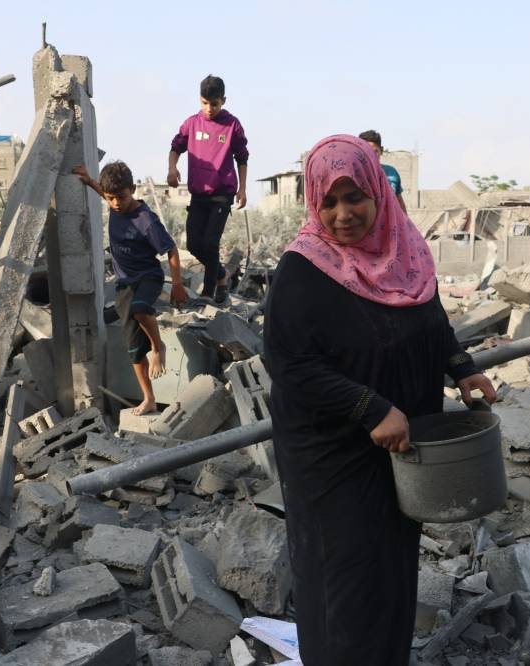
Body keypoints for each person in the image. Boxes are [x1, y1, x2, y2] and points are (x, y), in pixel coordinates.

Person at [262, 135, 496, 666]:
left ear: (378, 194)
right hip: (333, 454)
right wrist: (370, 408)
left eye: (355, 197)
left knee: (392, 568)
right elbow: (288, 363)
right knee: (347, 578)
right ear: (313, 203)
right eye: (329, 201)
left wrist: (462, 368)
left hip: (401, 443)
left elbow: (430, 323)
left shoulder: (406, 252)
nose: (343, 214)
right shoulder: (304, 269)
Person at [73, 161, 188, 415]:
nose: (115, 203)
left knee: (140, 309)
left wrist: (177, 284)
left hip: (148, 277)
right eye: (111, 198)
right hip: (125, 284)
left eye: (121, 197)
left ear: (133, 190)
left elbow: (170, 249)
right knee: (134, 350)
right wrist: (89, 178)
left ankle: (159, 347)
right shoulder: (114, 202)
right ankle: (149, 399)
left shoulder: (145, 220)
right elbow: (102, 191)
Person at [167, 74, 249, 305]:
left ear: (223, 100)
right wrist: (172, 169)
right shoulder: (192, 123)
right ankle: (221, 275)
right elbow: (175, 147)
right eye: (205, 103)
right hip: (198, 194)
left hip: (222, 194)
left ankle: (209, 293)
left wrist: (242, 189)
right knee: (194, 244)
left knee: (211, 243)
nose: (209, 108)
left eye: (214, 103)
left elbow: (242, 158)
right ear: (199, 99)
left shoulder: (232, 124)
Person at [359, 129, 408, 213]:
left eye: (375, 151)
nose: (371, 156)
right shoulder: (356, 174)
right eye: (367, 152)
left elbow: (399, 202)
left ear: (381, 150)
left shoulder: (391, 173)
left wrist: (407, 224)